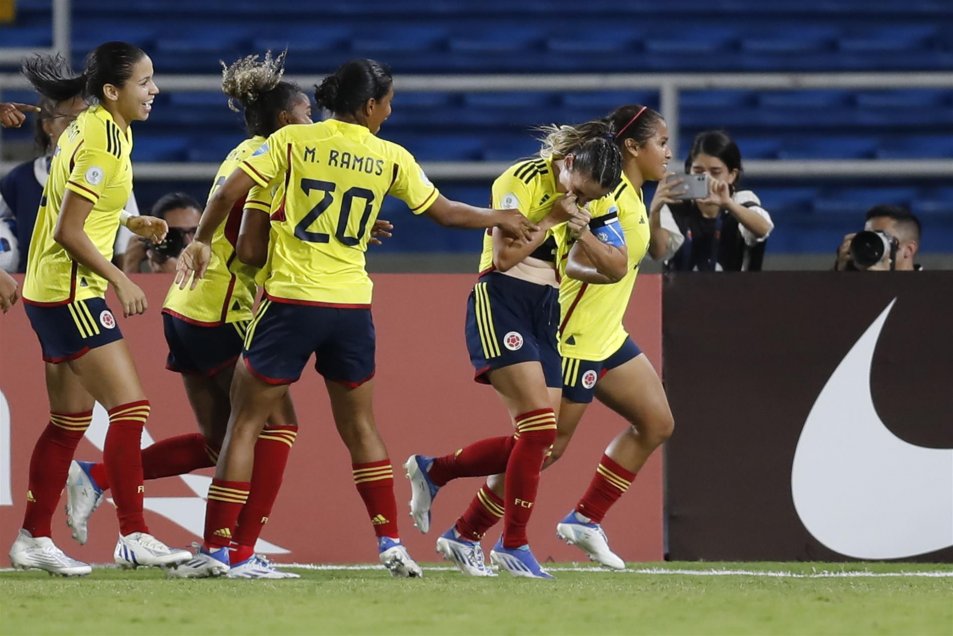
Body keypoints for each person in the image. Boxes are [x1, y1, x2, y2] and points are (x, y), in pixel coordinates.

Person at [172, 58, 537, 578]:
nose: (389, 113)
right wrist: (499, 215)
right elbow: (446, 212)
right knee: (361, 426)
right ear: (369, 106)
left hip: (292, 302)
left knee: (246, 423)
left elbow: (230, 191)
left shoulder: (292, 141)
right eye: (387, 103)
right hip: (350, 308)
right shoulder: (389, 156)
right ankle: (389, 541)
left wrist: (201, 241)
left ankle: (219, 548)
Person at [64, 51, 311, 580]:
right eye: (307, 113)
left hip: (186, 304)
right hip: (220, 310)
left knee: (220, 442)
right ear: (287, 120)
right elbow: (249, 245)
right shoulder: (277, 154)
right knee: (278, 426)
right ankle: (235, 551)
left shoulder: (244, 150)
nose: (312, 123)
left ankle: (100, 475)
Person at [405, 119, 623, 579]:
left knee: (540, 443)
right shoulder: (519, 179)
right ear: (566, 164)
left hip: (546, 308)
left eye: (591, 197)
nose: (582, 201)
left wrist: (584, 231)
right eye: (579, 191)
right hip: (502, 298)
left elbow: (609, 264)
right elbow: (504, 256)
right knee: (539, 428)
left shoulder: (592, 197)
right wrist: (554, 219)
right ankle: (514, 543)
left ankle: (436, 472)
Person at [7, 42, 191, 577]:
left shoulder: (99, 127)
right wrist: (118, 278)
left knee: (68, 421)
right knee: (130, 408)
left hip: (52, 288)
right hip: (71, 291)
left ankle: (32, 538)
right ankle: (135, 534)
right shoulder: (101, 142)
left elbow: (76, 203)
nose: (154, 90)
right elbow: (68, 230)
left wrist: (132, 224)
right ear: (113, 91)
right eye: (145, 82)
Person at [0, 91, 141, 274]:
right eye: (72, 121)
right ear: (48, 126)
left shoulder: (114, 177)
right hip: (32, 293)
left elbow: (127, 250)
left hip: (94, 292)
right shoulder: (17, 181)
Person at [648, 130, 773, 271]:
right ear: (689, 171)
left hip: (736, 292)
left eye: (715, 172)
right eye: (698, 171)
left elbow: (763, 229)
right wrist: (654, 211)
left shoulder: (741, 201)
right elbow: (657, 253)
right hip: (683, 292)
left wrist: (728, 204)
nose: (707, 178)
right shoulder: (674, 205)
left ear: (732, 175)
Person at [121, 192, 201, 273]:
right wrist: (130, 267)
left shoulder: (212, 264)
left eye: (195, 232)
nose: (187, 241)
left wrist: (176, 276)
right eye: (175, 235)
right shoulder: (144, 266)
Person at [833, 204, 922, 271]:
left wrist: (883, 282)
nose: (871, 245)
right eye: (869, 237)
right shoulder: (858, 286)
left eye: (881, 238)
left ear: (909, 250)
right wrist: (841, 274)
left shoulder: (929, 288)